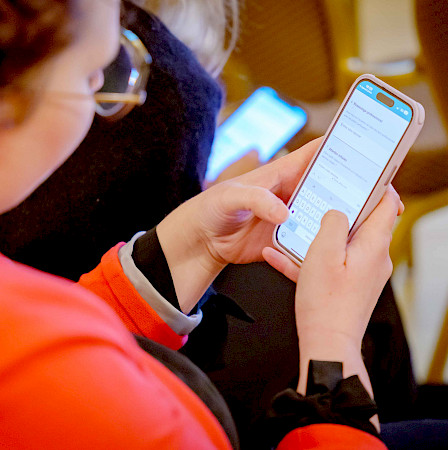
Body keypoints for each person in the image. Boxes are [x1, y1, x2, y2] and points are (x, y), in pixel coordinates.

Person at [0, 0, 418, 442]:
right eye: (92, 77)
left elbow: (78, 328)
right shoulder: (73, 391)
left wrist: (190, 245)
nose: (109, 98)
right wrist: (332, 346)